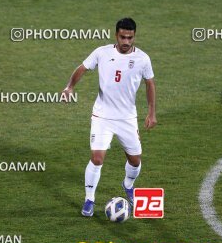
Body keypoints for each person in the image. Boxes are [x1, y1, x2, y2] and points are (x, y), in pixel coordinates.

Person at [62, 17, 157, 217]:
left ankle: (128, 185)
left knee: (135, 161)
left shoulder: (143, 59)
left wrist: (151, 112)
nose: (126, 42)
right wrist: (70, 87)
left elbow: (150, 84)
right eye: (122, 37)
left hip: (127, 118)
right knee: (97, 159)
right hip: (102, 116)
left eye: (130, 38)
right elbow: (82, 68)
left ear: (134, 36)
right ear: (116, 35)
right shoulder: (102, 52)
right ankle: (89, 199)